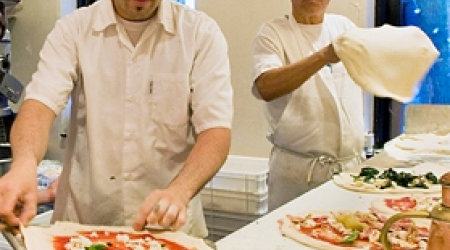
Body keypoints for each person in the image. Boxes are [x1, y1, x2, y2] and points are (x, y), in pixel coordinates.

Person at [0, 0, 233, 238]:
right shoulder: (75, 29)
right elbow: (39, 105)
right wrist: (24, 164)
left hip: (168, 229)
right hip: (83, 225)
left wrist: (180, 192)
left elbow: (215, 132)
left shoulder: (200, 33)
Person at [252, 0, 365, 211]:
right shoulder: (273, 32)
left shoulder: (345, 28)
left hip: (351, 169)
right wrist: (323, 56)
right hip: (297, 173)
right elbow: (265, 87)